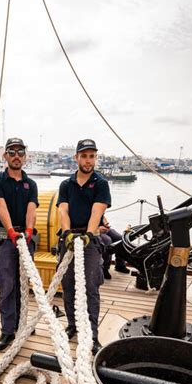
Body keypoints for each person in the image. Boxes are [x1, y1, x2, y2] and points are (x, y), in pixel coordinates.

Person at [57, 139, 111, 355]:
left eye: (92, 156)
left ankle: (92, 334)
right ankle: (72, 324)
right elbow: (63, 211)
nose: (88, 160)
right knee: (68, 283)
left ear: (95, 158)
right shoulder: (66, 184)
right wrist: (68, 233)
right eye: (84, 156)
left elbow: (97, 212)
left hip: (89, 239)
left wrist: (89, 234)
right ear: (76, 157)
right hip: (69, 238)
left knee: (90, 286)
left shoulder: (101, 184)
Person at [0, 137, 38, 351]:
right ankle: (8, 330)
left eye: (20, 152)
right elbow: (1, 207)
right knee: (7, 285)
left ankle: (22, 322)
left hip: (26, 239)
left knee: (23, 284)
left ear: (25, 157)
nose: (16, 156)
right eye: (12, 152)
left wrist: (27, 231)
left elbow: (31, 209)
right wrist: (10, 231)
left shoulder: (31, 184)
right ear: (5, 156)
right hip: (7, 240)